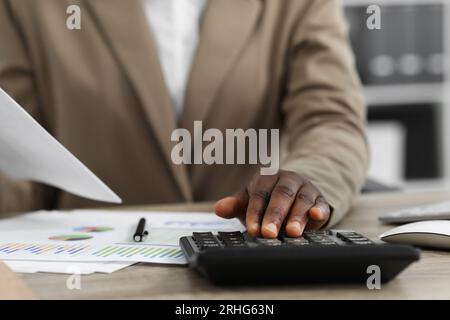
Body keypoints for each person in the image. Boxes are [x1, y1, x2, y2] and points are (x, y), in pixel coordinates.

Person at [0, 0, 368, 239]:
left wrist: (306, 184)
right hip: (89, 264)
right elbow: (20, 151)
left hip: (249, 256)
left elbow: (331, 119)